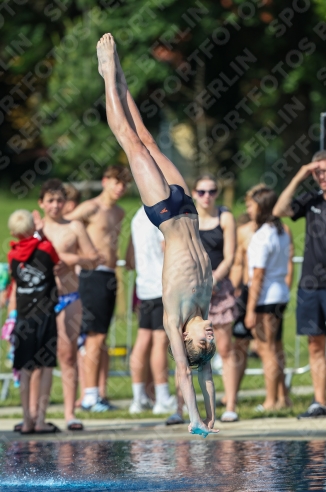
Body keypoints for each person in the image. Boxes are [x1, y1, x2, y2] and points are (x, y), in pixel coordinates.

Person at [97, 33, 218, 437]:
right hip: (187, 206)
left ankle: (107, 74)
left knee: (130, 143)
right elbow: (206, 375)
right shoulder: (204, 304)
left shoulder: (176, 317)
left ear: (187, 337)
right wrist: (214, 413)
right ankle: (122, 81)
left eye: (205, 339)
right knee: (147, 136)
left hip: (165, 213)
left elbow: (187, 372)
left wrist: (196, 421)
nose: (211, 333)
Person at [65, 164, 131, 412]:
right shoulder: (90, 208)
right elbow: (64, 225)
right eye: (116, 182)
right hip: (91, 276)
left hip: (109, 276)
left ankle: (99, 393)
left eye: (124, 184)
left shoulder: (120, 211)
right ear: (105, 181)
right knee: (93, 337)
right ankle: (89, 395)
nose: (120, 188)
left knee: (101, 337)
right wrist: (82, 256)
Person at [273, 150, 326, 418]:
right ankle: (319, 402)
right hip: (311, 284)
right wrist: (299, 176)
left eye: (325, 170)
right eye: (316, 172)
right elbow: (279, 209)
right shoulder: (312, 200)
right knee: (315, 343)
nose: (321, 176)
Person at [38, 178, 101, 430]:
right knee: (38, 359)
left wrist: (71, 259)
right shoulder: (37, 228)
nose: (55, 205)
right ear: (41, 203)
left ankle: (69, 413)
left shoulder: (74, 226)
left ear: (66, 203)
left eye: (59, 200)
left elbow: (94, 259)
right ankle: (36, 415)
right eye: (50, 200)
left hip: (68, 297)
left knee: (67, 355)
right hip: (40, 299)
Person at [7, 210, 60, 434]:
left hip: (24, 318)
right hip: (45, 316)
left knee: (25, 369)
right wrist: (40, 234)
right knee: (46, 367)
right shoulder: (45, 248)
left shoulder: (12, 256)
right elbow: (56, 258)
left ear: (13, 232)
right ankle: (40, 420)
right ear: (32, 228)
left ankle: (26, 420)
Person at [192, 174, 238, 422]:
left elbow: (230, 255)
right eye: (201, 192)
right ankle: (186, 408)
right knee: (190, 350)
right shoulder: (189, 218)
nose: (206, 196)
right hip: (193, 289)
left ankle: (230, 405)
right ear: (194, 193)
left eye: (211, 191)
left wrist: (214, 280)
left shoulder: (225, 217)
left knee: (226, 349)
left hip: (219, 288)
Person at [126, 206, 176, 415]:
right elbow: (167, 248)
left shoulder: (137, 215)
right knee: (159, 342)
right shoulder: (161, 213)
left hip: (144, 286)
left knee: (142, 340)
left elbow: (129, 257)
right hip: (160, 285)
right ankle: (162, 397)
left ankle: (139, 398)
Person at [244, 187, 291, 411]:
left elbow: (258, 274)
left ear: (262, 207)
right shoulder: (281, 230)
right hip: (280, 294)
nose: (248, 209)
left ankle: (271, 401)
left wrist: (250, 309)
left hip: (266, 298)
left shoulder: (263, 235)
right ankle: (284, 397)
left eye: (251, 205)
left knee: (266, 349)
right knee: (277, 348)